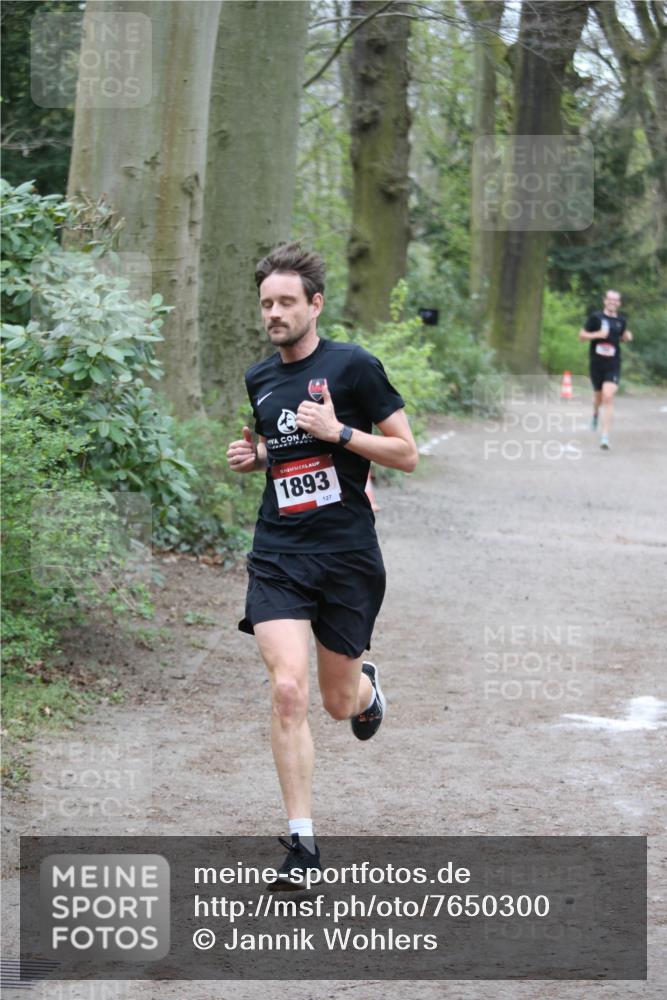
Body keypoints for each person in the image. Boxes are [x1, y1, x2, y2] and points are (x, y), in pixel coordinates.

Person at [226, 243, 418, 888]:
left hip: (347, 557)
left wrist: (339, 434)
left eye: (285, 302)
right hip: (280, 552)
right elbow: (280, 454)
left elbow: (405, 454)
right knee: (287, 689)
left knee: (337, 704)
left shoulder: (355, 368)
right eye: (265, 304)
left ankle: (366, 690)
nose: (273, 313)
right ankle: (303, 848)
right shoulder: (259, 378)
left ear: (315, 304)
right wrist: (256, 459)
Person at [578, 290, 633, 449]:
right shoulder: (596, 317)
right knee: (598, 398)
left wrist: (627, 337)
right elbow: (581, 336)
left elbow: (620, 338)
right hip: (596, 364)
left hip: (613, 364)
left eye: (616, 300)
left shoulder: (621, 321)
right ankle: (595, 414)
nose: (612, 302)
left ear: (619, 303)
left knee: (608, 396)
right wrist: (597, 334)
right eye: (610, 299)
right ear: (604, 301)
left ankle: (605, 436)